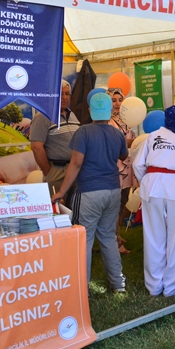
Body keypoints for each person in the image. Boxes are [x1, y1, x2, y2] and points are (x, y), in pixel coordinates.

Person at [52, 92, 128, 293]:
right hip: (113, 190)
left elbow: (76, 163)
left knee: (83, 239)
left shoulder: (83, 132)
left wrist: (61, 191)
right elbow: (124, 154)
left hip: (88, 192)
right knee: (108, 237)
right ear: (109, 110)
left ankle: (81, 288)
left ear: (90, 110)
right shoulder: (116, 133)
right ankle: (118, 284)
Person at [133, 106, 175, 297]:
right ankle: (172, 287)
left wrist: (147, 182)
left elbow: (137, 164)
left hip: (153, 186)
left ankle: (154, 286)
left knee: (154, 237)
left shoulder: (153, 136)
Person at [29, 80, 80, 194]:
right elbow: (36, 147)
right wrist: (49, 173)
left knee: (74, 209)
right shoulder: (42, 117)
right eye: (60, 94)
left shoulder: (73, 116)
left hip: (75, 171)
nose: (64, 97)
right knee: (58, 209)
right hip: (57, 171)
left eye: (67, 94)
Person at [108, 87, 136, 254]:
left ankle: (116, 233)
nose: (117, 104)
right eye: (113, 100)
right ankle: (115, 242)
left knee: (123, 201)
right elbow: (118, 143)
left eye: (120, 100)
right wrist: (135, 142)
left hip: (126, 164)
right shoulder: (107, 122)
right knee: (115, 205)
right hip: (115, 166)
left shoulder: (127, 119)